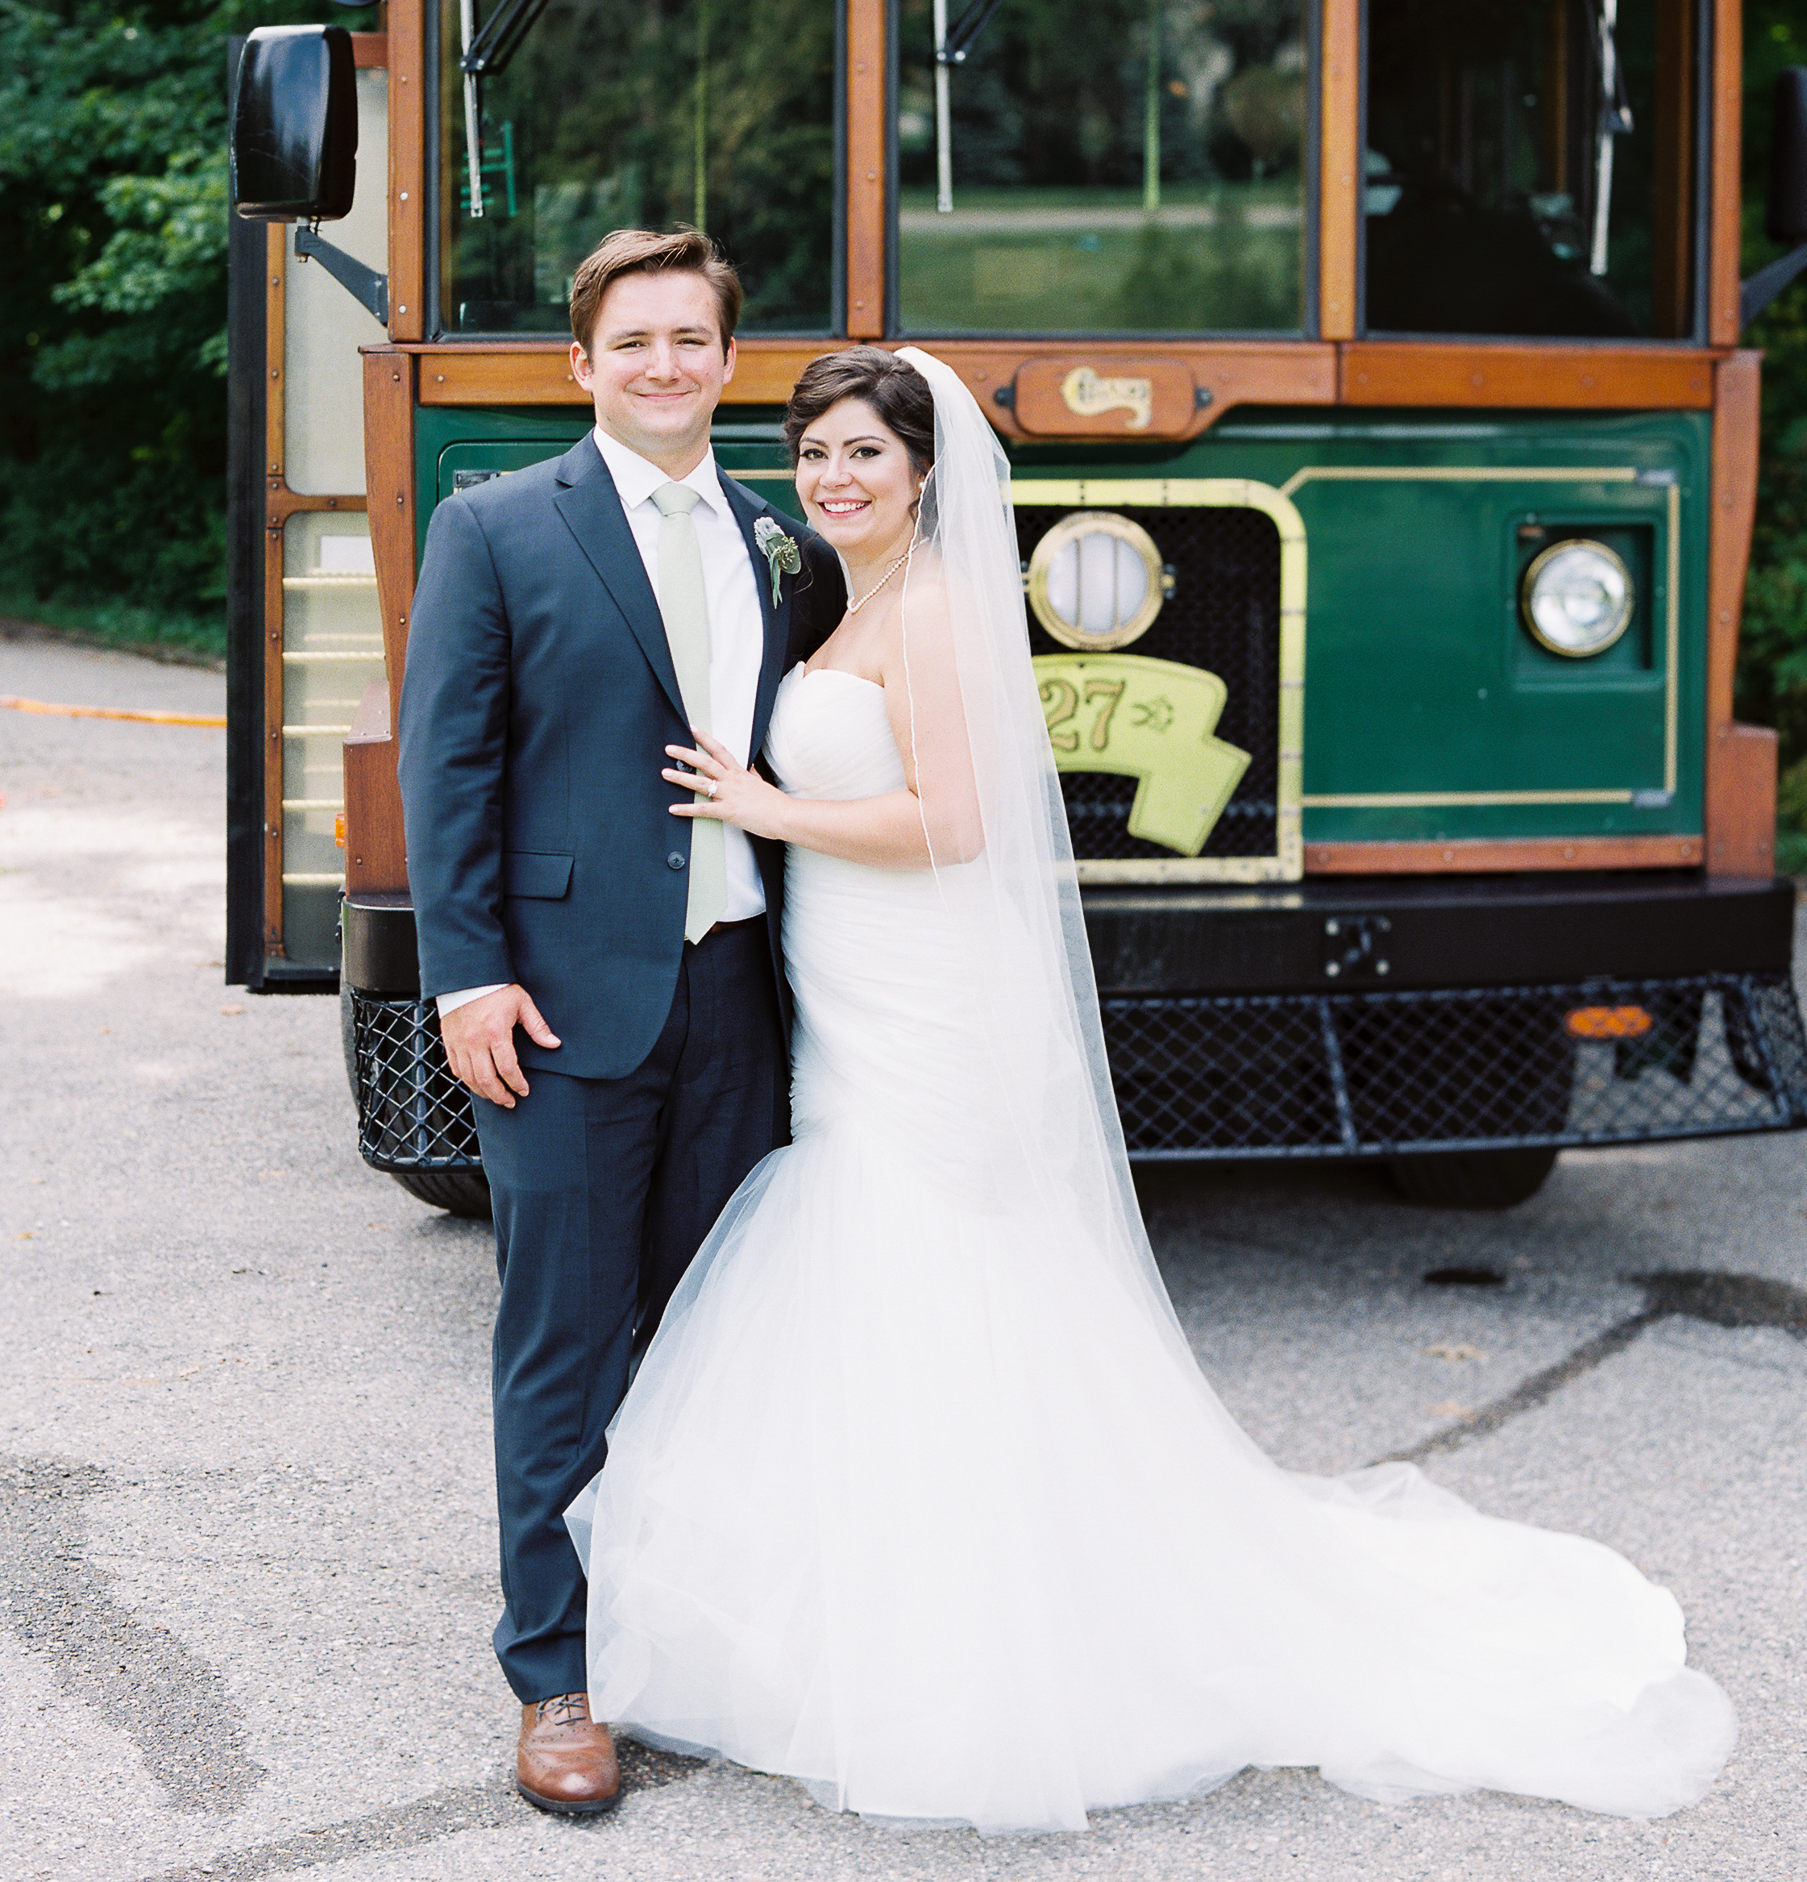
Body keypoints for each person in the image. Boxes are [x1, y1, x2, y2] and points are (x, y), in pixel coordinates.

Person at [563, 342, 1737, 1835]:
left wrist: (762, 803)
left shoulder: (927, 612)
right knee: (878, 1263)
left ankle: (969, 1636)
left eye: (863, 453)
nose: (834, 481)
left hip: (918, 985)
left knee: (922, 1255)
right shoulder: (845, 600)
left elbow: (955, 823)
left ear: (927, 471)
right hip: (852, 979)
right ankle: (875, 1598)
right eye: (813, 457)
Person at [396, 228, 844, 1815]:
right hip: (561, 1002)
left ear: (732, 363)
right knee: (564, 1343)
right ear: (584, 366)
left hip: (739, 989)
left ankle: (690, 1647)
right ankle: (559, 1675)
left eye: (691, 341)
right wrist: (467, 973)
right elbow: (445, 765)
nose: (664, 365)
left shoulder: (781, 543)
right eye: (632, 342)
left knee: (713, 1339)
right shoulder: (499, 527)